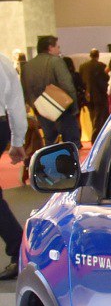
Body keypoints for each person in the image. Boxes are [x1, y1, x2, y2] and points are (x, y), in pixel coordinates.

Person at [22, 34, 80, 148]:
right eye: (57, 47)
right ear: (50, 47)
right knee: (71, 144)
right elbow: (67, 86)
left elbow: (25, 90)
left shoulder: (27, 66)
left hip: (41, 110)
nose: (59, 50)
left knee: (50, 144)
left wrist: (36, 107)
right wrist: (74, 108)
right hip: (62, 109)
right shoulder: (56, 62)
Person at [0, 55, 27, 281]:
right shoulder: (2, 61)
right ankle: (18, 247)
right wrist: (18, 140)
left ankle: (18, 247)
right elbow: (16, 102)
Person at [81, 48, 110, 140]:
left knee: (92, 116)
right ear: (98, 55)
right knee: (100, 118)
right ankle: (97, 137)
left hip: (88, 96)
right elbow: (105, 79)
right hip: (100, 95)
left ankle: (94, 135)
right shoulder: (102, 66)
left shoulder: (83, 66)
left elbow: (82, 80)